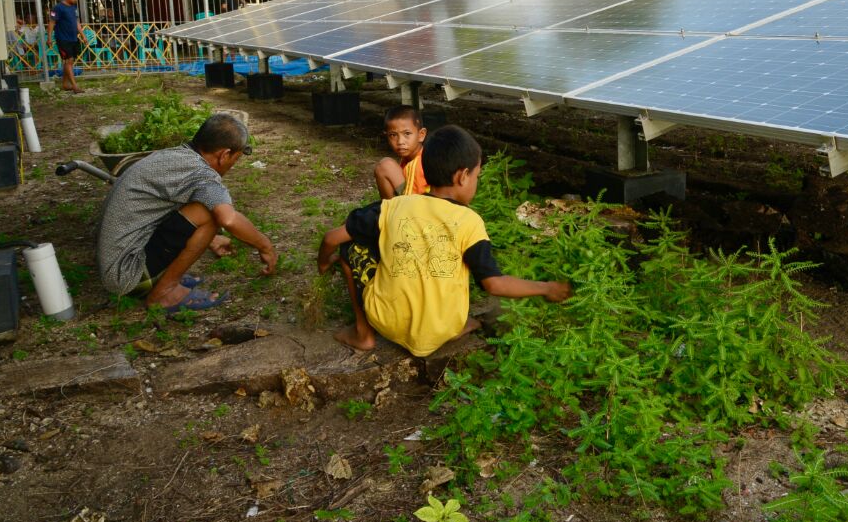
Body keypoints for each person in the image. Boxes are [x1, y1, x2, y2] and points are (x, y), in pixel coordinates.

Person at [318, 125, 571, 355]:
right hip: (445, 329)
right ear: (463, 176)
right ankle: (456, 324)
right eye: (476, 177)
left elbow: (331, 237)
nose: (475, 183)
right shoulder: (470, 223)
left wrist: (324, 264)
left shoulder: (393, 207)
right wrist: (546, 287)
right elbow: (495, 284)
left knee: (350, 246)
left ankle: (363, 334)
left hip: (389, 322)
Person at [96, 113, 276, 313]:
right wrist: (265, 245)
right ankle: (164, 294)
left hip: (116, 261)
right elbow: (229, 219)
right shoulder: (200, 175)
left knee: (202, 208)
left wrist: (210, 239)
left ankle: (163, 278)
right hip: (127, 274)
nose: (233, 165)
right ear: (224, 154)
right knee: (209, 213)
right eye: (235, 158)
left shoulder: (175, 155)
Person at [374, 106, 429, 199]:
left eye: (407, 133)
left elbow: (415, 199)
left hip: (422, 208)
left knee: (385, 166)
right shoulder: (408, 158)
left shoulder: (419, 162)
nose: (400, 141)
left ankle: (390, 211)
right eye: (393, 135)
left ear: (421, 135)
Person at [50, 0, 84, 93]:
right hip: (62, 38)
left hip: (73, 38)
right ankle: (74, 86)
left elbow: (76, 22)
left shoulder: (73, 7)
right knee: (68, 61)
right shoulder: (57, 8)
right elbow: (51, 22)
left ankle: (65, 84)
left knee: (70, 61)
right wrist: (49, 37)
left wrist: (83, 35)